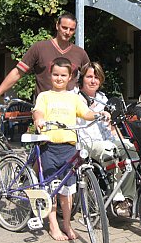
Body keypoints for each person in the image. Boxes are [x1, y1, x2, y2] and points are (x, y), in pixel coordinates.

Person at [32, 57, 109, 241]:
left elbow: (86, 113)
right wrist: (39, 119)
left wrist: (99, 114)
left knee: (67, 192)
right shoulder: (45, 96)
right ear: (50, 75)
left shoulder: (73, 98)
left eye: (63, 75)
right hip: (49, 147)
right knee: (51, 189)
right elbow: (38, 111)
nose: (59, 78)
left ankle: (66, 223)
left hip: (69, 148)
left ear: (70, 78)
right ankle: (53, 225)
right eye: (56, 74)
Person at [76, 62, 137, 217]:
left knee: (130, 149)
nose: (93, 81)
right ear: (82, 78)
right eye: (89, 77)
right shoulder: (75, 97)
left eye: (96, 77)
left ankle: (129, 199)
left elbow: (110, 126)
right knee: (110, 152)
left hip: (107, 139)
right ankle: (117, 199)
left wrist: (121, 138)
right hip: (87, 142)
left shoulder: (103, 98)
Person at [0, 12, 90, 100]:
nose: (67, 32)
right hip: (44, 110)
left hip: (70, 109)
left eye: (71, 29)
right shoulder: (39, 48)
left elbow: (91, 78)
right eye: (64, 28)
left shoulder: (80, 53)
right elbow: (17, 72)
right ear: (57, 26)